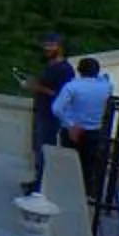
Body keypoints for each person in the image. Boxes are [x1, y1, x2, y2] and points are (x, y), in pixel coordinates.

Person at [52, 57, 115, 209]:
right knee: (88, 165)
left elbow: (57, 108)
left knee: (68, 163)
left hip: (73, 130)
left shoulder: (72, 86)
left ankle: (64, 195)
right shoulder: (105, 87)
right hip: (94, 131)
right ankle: (83, 197)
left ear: (79, 71)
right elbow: (108, 83)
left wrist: (70, 124)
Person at [23, 32, 77, 193]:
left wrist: (36, 87)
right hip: (41, 111)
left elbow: (61, 94)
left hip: (51, 116)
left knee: (45, 151)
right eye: (45, 45)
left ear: (60, 47)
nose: (47, 48)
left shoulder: (65, 70)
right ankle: (36, 183)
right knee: (38, 150)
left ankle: (41, 188)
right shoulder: (51, 66)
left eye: (51, 45)